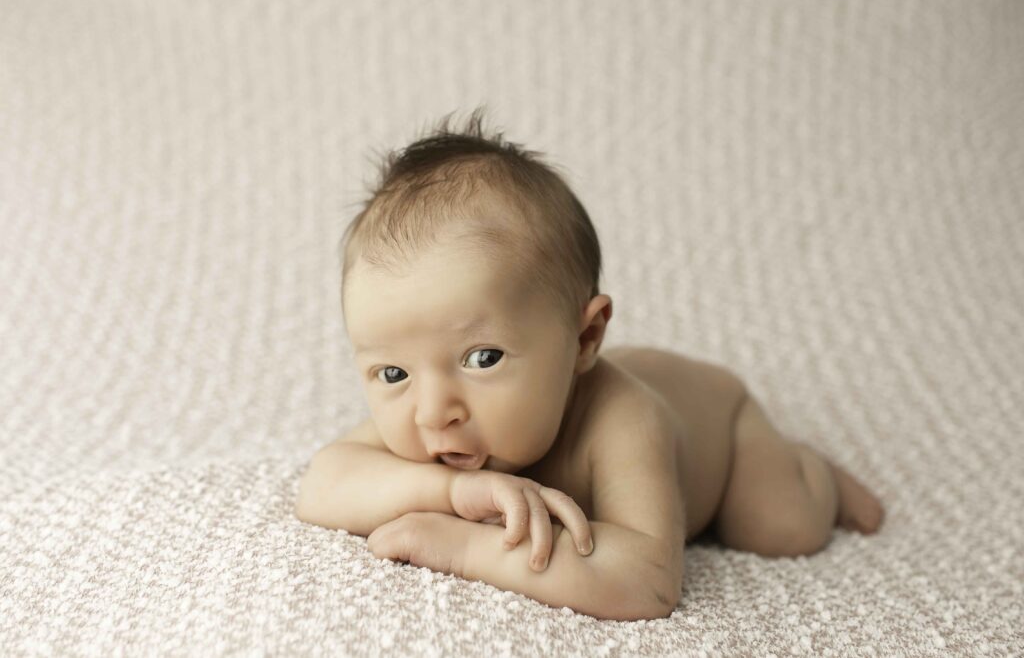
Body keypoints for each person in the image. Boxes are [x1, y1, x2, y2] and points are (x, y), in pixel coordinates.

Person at [294, 108, 884, 621]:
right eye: (392, 374)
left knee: (779, 527)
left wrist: (461, 548)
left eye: (482, 358)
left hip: (722, 428)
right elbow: (323, 485)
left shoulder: (625, 420)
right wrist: (453, 493)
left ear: (583, 339)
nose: (433, 412)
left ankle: (813, 470)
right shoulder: (433, 422)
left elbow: (648, 580)